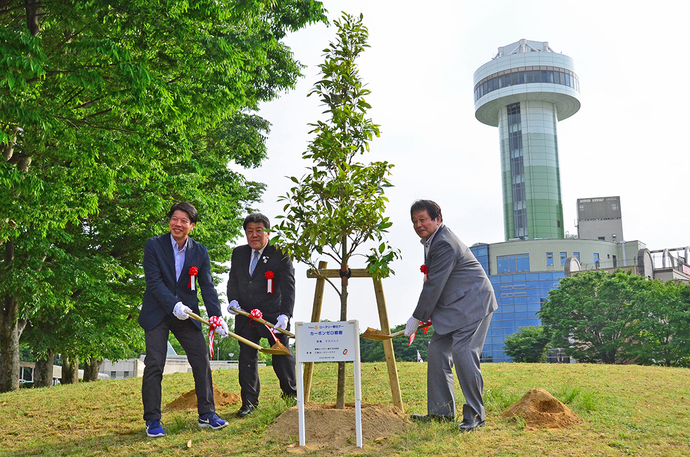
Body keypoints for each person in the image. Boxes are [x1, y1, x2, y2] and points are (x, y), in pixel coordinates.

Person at [405, 199, 497, 432]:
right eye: (415, 221)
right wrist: (425, 315)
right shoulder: (432, 241)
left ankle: (476, 415)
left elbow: (434, 284)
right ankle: (440, 413)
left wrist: (416, 317)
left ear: (438, 219)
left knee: (463, 352)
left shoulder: (444, 243)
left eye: (423, 219)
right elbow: (438, 284)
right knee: (436, 352)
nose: (418, 224)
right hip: (455, 307)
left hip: (473, 304)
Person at [139, 202, 230, 438]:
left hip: (186, 314)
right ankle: (152, 420)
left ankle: (207, 414)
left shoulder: (200, 251)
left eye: (183, 221)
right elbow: (154, 282)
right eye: (174, 219)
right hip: (158, 312)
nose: (177, 224)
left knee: (201, 361)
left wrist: (216, 317)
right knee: (155, 364)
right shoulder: (154, 245)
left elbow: (207, 287)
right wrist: (173, 305)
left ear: (192, 226)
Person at [227, 213, 297, 417]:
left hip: (273, 315)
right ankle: (249, 402)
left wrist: (286, 314)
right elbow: (233, 281)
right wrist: (232, 300)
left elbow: (289, 286)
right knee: (247, 358)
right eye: (249, 231)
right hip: (245, 314)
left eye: (259, 230)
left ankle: (290, 394)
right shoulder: (238, 253)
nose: (254, 235)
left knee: (281, 355)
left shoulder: (280, 253)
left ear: (268, 232)